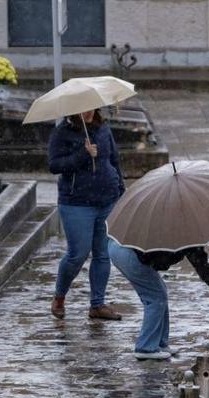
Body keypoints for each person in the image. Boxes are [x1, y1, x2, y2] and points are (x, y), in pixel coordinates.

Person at [49, 108, 124, 320]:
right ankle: (59, 296)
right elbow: (54, 165)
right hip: (76, 203)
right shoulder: (62, 133)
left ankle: (97, 304)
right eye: (83, 109)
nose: (88, 112)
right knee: (77, 254)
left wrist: (120, 189)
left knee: (102, 253)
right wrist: (83, 154)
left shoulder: (103, 129)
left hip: (106, 199)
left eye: (91, 108)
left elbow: (114, 160)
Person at [108, 240, 209, 360]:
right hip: (128, 252)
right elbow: (203, 269)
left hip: (119, 248)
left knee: (160, 294)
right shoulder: (189, 233)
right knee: (156, 298)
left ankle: (160, 343)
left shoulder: (185, 228)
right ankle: (146, 347)